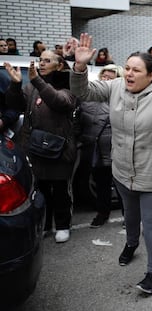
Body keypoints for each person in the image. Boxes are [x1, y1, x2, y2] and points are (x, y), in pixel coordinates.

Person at [70, 34, 152, 295]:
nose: (128, 73)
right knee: (130, 215)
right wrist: (80, 67)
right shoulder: (116, 86)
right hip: (123, 168)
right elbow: (82, 92)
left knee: (150, 222)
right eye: (127, 68)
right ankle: (130, 243)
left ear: (151, 74)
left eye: (136, 70)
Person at [4, 51, 77, 243]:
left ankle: (63, 225)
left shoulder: (66, 84)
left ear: (59, 65)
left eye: (47, 61)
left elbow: (59, 101)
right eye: (40, 60)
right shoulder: (31, 86)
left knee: (60, 191)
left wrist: (37, 81)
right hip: (35, 149)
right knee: (40, 190)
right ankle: (45, 225)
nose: (42, 63)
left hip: (59, 150)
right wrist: (16, 84)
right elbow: (16, 104)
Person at [74, 64, 124, 228]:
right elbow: (78, 121)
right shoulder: (87, 98)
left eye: (111, 77)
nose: (106, 80)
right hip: (93, 150)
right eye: (104, 76)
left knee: (121, 186)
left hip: (116, 150)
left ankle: (128, 216)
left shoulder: (123, 99)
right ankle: (102, 213)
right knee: (101, 184)